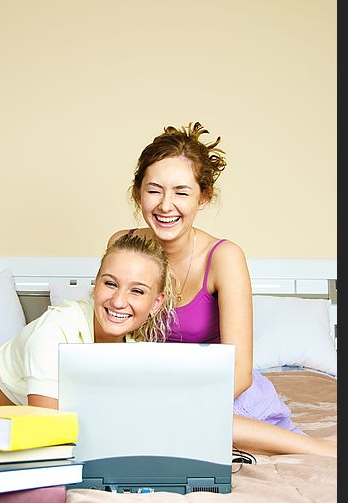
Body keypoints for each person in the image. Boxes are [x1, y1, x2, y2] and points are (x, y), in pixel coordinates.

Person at [108, 122, 336, 457]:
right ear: (137, 192)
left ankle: (321, 450)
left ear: (204, 197)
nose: (165, 205)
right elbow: (108, 340)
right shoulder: (123, 244)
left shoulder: (224, 257)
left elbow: (240, 373)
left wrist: (177, 407)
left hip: (218, 391)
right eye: (154, 190)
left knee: (194, 423)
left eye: (181, 192)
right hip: (149, 383)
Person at [0, 234, 174, 435]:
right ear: (94, 285)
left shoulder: (134, 348)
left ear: (156, 302)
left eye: (137, 290)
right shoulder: (56, 330)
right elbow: (46, 433)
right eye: (110, 284)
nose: (119, 301)